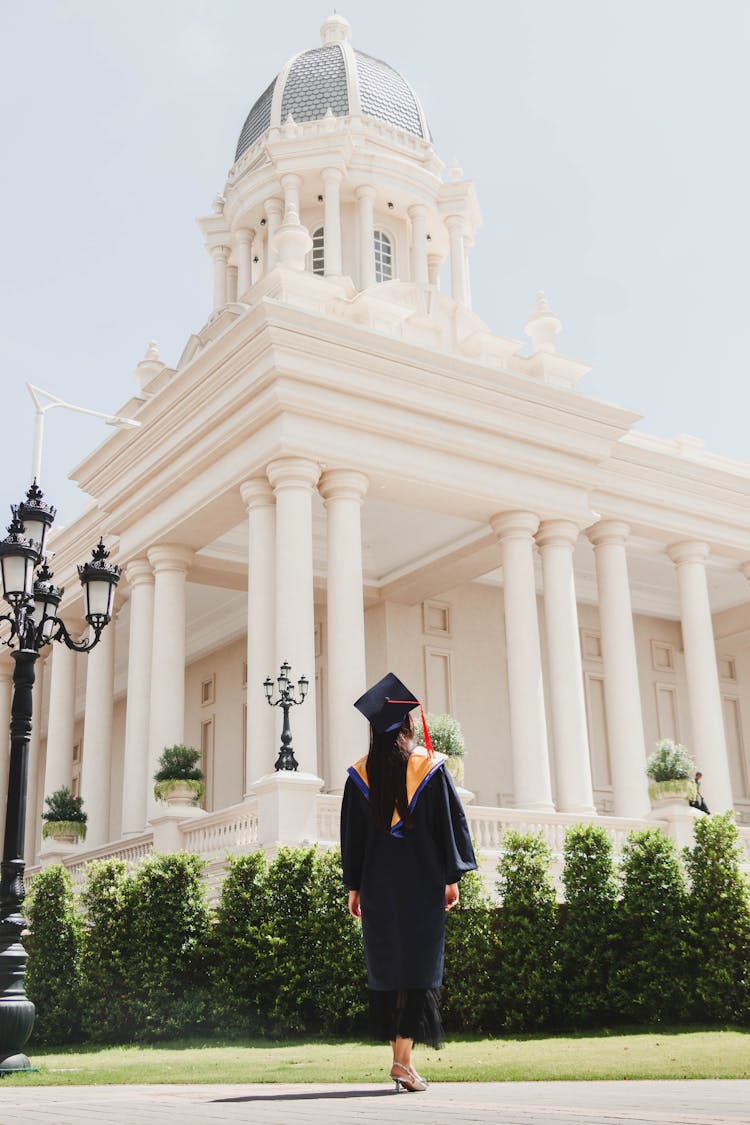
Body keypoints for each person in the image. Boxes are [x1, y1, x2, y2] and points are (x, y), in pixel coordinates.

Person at [340, 672, 477, 1093]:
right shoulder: (430, 770)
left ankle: (402, 1062)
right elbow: (447, 828)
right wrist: (450, 878)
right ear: (407, 725)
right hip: (421, 885)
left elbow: (352, 838)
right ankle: (402, 1061)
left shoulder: (359, 776)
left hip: (380, 887)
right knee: (417, 969)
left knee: (390, 969)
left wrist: (355, 886)